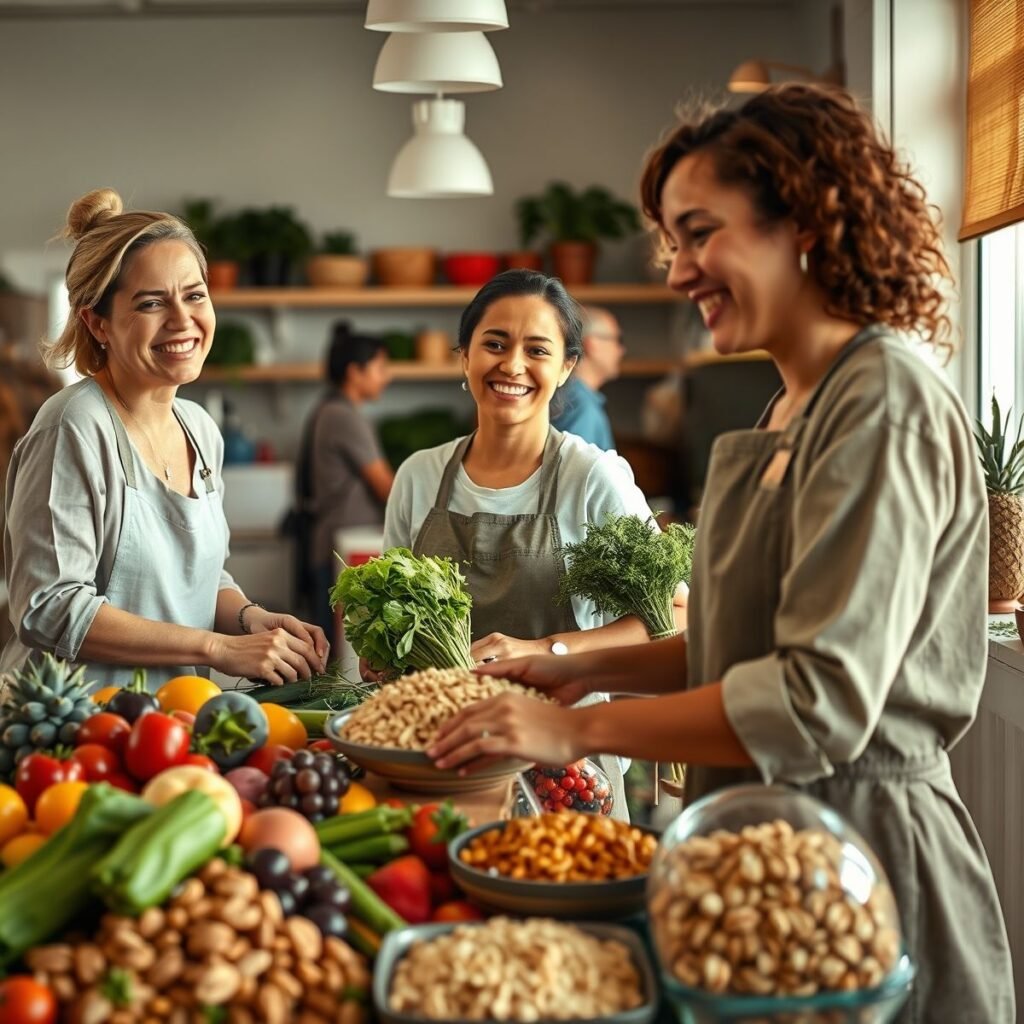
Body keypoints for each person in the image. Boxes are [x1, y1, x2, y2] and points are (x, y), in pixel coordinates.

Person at [427, 85, 1015, 1021]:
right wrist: (573, 669)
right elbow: (747, 649)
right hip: (763, 850)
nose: (678, 271)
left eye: (700, 233)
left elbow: (813, 702)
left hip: (861, 866)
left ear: (807, 221)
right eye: (673, 241)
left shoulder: (882, 402)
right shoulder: (790, 405)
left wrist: (576, 729)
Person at [383, 268, 686, 816]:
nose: (512, 365)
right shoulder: (419, 477)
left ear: (568, 365)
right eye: (494, 344)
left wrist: (545, 652)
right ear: (464, 355)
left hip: (570, 773)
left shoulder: (593, 478)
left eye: (537, 350)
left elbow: (675, 614)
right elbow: (387, 616)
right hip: (440, 758)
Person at [1, 188, 328, 690]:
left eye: (194, 294)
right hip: (74, 733)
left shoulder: (199, 428)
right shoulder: (73, 426)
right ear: (97, 322)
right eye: (152, 303)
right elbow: (49, 608)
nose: (182, 320)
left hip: (171, 723)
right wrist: (219, 648)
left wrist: (249, 619)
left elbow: (200, 580)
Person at [296, 322, 393, 643]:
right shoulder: (343, 416)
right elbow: (385, 486)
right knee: (342, 657)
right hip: (342, 551)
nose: (386, 376)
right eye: (380, 368)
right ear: (355, 371)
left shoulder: (331, 409)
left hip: (337, 545)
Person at [550, 306, 623, 450]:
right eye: (617, 340)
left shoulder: (571, 398)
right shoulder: (580, 407)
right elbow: (572, 470)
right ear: (592, 344)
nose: (621, 350)